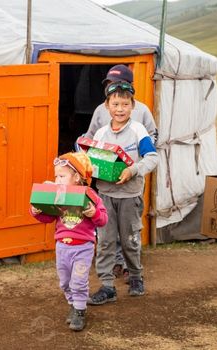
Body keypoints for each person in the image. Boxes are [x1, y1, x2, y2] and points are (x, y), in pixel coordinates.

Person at [84, 64, 158, 283]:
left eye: (124, 104)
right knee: (105, 238)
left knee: (129, 237)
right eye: (115, 103)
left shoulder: (140, 121)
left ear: (131, 104)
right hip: (106, 190)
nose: (119, 108)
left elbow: (151, 149)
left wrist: (133, 167)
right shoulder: (100, 124)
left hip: (130, 190)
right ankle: (107, 284)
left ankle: (133, 274)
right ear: (108, 105)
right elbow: (91, 147)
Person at [30, 152, 108, 331]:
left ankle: (80, 311)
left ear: (76, 177)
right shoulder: (56, 194)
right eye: (56, 175)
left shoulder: (90, 195)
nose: (57, 179)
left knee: (79, 281)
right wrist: (36, 211)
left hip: (83, 247)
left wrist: (93, 212)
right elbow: (48, 218)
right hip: (62, 246)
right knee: (65, 282)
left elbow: (103, 219)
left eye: (62, 176)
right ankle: (73, 305)